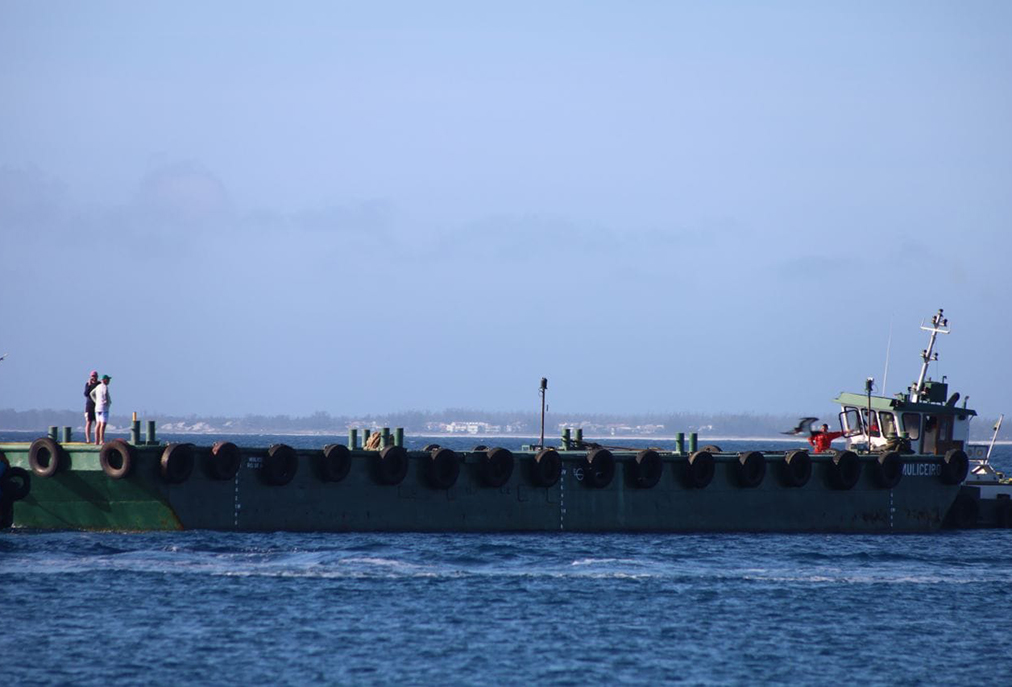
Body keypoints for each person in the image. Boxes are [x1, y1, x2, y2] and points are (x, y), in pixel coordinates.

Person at [90, 375, 112, 445]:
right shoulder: (104, 386)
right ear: (105, 380)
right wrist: (106, 401)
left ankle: (96, 441)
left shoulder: (98, 386)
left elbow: (91, 393)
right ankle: (101, 440)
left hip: (97, 408)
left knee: (98, 424)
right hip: (104, 408)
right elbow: (105, 393)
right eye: (108, 379)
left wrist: (96, 401)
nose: (109, 381)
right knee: (103, 424)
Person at [84, 370, 100, 443]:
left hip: (97, 406)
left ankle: (97, 439)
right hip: (89, 406)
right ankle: (88, 439)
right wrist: (89, 385)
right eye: (92, 376)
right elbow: (86, 394)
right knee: (89, 422)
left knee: (98, 423)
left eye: (95, 376)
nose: (93, 378)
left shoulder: (99, 384)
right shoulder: (87, 384)